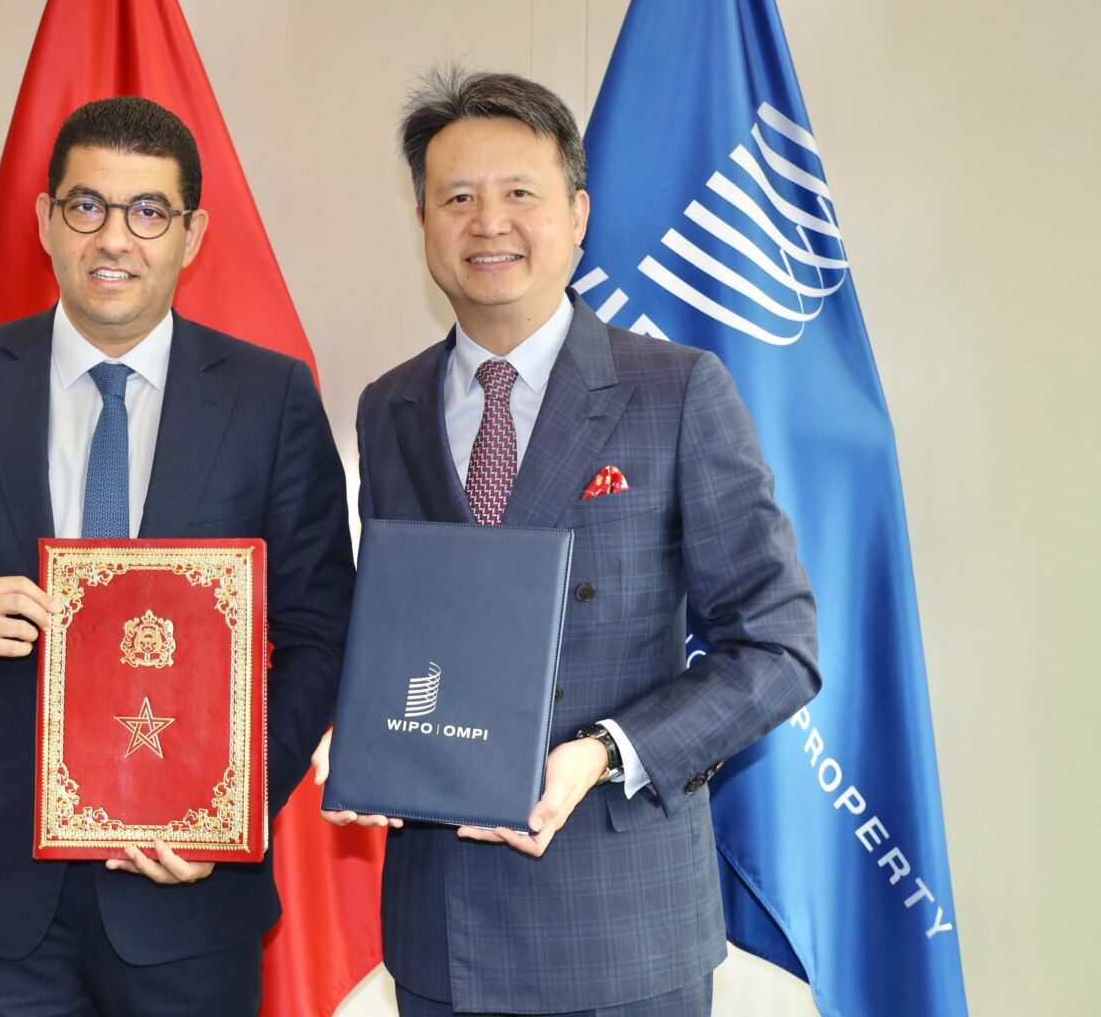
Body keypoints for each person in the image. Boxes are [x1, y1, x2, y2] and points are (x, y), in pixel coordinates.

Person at [0, 96, 353, 1017]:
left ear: (192, 234)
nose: (115, 238)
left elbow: (322, 633)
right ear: (46, 221)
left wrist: (233, 807)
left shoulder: (270, 398)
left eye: (149, 212)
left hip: (190, 896)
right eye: (87, 206)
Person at [314, 68, 820, 1016]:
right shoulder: (390, 407)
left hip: (620, 926)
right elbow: (404, 627)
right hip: (440, 931)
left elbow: (777, 643)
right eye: (457, 198)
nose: (488, 223)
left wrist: (602, 752)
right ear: (422, 221)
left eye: (520, 193)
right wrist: (366, 733)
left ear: (578, 214)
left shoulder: (676, 390)